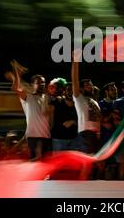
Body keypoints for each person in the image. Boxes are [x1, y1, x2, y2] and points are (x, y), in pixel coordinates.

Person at [8, 60, 53, 161]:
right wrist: (17, 72)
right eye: (38, 83)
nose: (41, 84)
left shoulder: (46, 98)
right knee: (36, 161)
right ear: (33, 84)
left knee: (45, 163)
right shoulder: (28, 97)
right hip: (34, 136)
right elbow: (15, 88)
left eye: (43, 82)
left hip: (46, 136)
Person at [71, 49, 102, 179]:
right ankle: (82, 190)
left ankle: (93, 189)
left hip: (95, 135)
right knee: (88, 163)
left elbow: (98, 118)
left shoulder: (94, 101)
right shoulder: (79, 98)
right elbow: (75, 81)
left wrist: (99, 133)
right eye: (87, 85)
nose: (90, 86)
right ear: (82, 88)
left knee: (98, 164)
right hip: (86, 134)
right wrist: (76, 61)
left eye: (91, 84)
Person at [51, 83, 78, 151]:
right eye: (68, 90)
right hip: (59, 139)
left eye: (72, 90)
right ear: (64, 92)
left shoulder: (78, 105)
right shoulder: (57, 102)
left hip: (74, 139)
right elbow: (45, 111)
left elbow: (82, 121)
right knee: (58, 161)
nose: (71, 92)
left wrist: (73, 122)